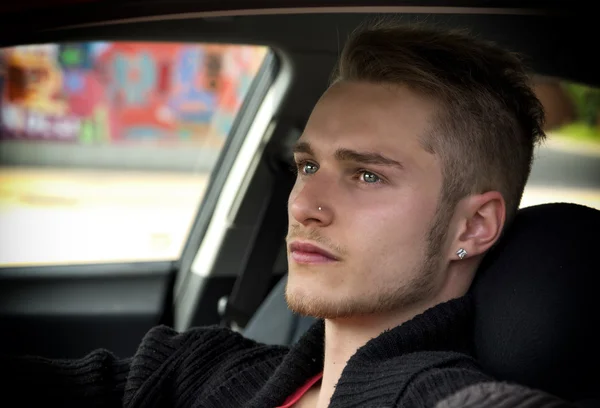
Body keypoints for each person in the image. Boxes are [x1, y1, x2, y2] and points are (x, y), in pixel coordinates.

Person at [2, 20, 574, 408]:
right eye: (307, 167)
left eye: (367, 175)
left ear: (472, 227)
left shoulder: (440, 394)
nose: (304, 205)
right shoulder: (202, 367)